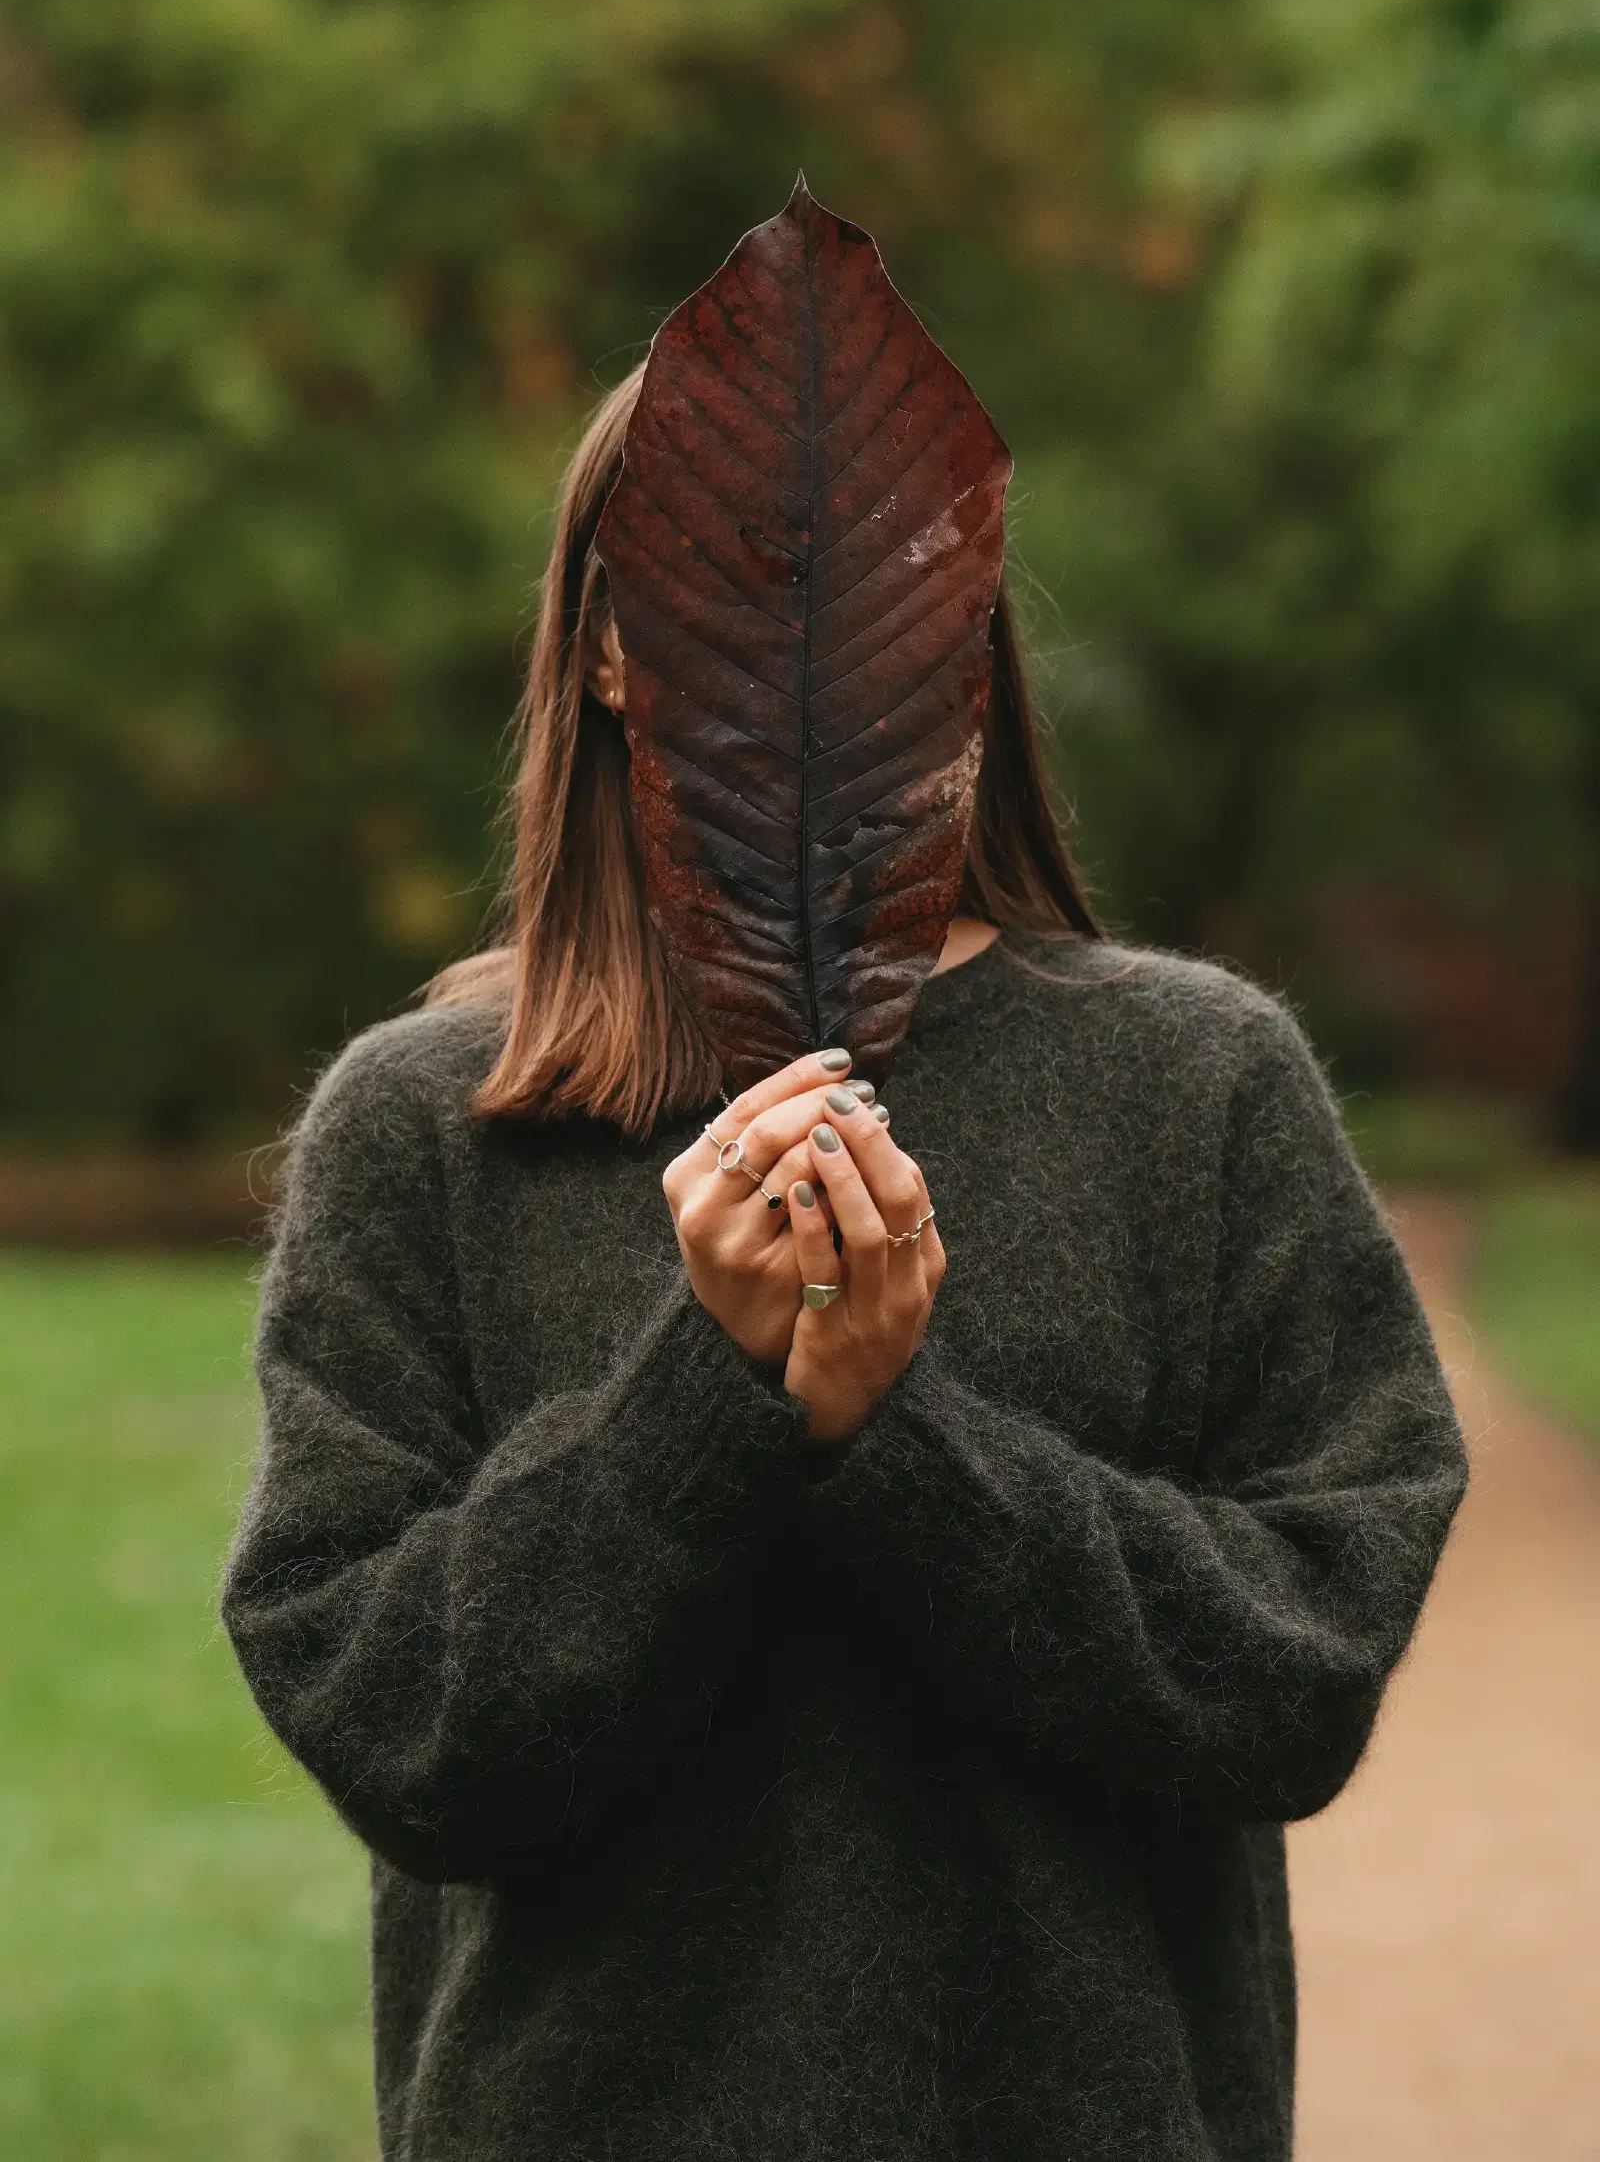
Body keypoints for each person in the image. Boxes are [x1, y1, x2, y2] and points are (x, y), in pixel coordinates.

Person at [222, 363, 1469, 2162]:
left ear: (972, 644)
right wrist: (699, 1401)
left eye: (891, 575)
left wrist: (900, 1441)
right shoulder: (427, 1128)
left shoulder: (1196, 1088)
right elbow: (410, 1734)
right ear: (600, 648)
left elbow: (1295, 1680)